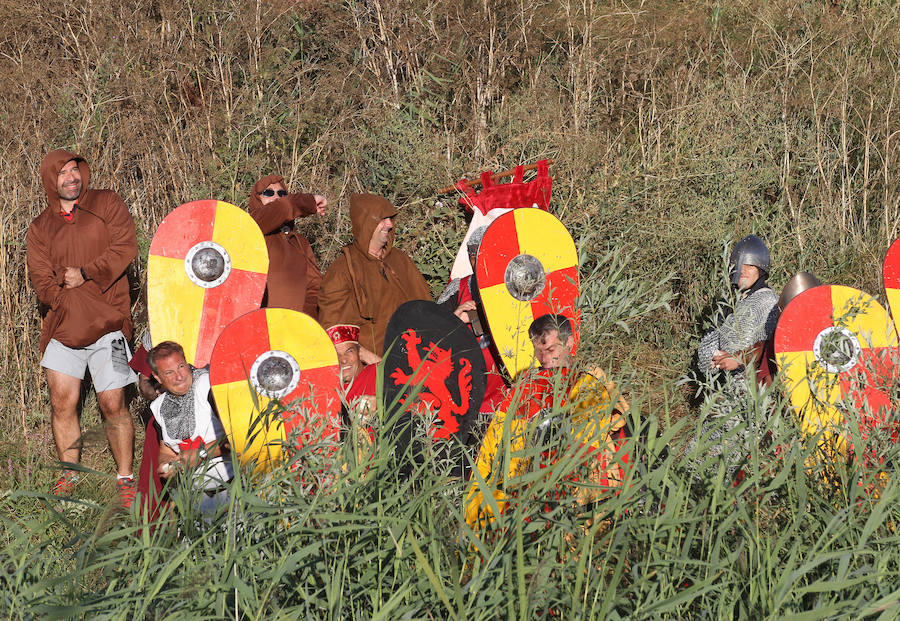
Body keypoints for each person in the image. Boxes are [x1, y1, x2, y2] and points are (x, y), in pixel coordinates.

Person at [26, 149, 138, 506]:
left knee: (113, 402)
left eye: (75, 170)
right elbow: (41, 279)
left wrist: (86, 273)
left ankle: (124, 479)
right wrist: (64, 298)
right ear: (50, 180)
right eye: (63, 174)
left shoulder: (106, 203)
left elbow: (126, 246)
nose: (71, 178)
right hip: (62, 329)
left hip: (110, 326)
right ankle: (69, 476)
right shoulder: (41, 226)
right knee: (62, 403)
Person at [465, 314, 630, 529]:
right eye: (538, 351)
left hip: (581, 487)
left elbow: (588, 438)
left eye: (551, 350)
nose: (543, 359)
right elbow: (496, 440)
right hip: (528, 485)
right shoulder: (527, 385)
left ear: (569, 342)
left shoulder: (588, 378)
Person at [693, 235, 779, 472]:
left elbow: (773, 347)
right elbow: (707, 357)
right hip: (724, 397)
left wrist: (741, 357)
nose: (743, 270)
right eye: (739, 265)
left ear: (761, 269)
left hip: (750, 402)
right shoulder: (733, 304)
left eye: (750, 266)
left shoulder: (767, 302)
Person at [318, 193, 432, 363]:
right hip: (374, 370)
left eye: (390, 218)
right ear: (365, 223)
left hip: (418, 359)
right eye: (382, 219)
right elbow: (336, 333)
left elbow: (427, 308)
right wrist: (379, 366)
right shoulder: (342, 270)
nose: (390, 224)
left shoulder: (400, 260)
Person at [148, 341, 233, 515]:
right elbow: (167, 449)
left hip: (232, 490)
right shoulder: (159, 407)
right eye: (169, 372)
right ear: (157, 377)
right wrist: (166, 465)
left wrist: (202, 454)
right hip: (193, 499)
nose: (179, 376)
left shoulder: (210, 386)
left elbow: (239, 436)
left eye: (181, 367)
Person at [437, 226, 507, 418]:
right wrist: (454, 319)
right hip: (464, 391)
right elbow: (432, 336)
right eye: (472, 254)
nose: (476, 260)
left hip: (505, 390)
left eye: (481, 252)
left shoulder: (513, 287)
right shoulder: (458, 289)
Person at [248, 174, 326, 318]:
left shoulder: (300, 242)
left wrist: (307, 319)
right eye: (268, 193)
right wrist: (305, 202)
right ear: (257, 199)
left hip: (294, 331)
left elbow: (315, 287)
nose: (277, 197)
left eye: (282, 194)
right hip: (259, 327)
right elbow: (278, 210)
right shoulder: (250, 230)